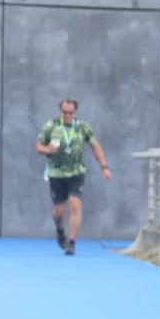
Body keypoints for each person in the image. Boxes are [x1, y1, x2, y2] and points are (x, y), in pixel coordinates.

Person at [35, 97, 112, 255]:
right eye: (64, 112)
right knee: (59, 211)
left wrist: (104, 166)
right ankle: (59, 229)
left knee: (75, 203)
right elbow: (39, 147)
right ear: (60, 111)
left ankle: (72, 243)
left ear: (75, 112)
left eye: (70, 112)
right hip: (56, 173)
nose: (68, 115)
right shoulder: (52, 126)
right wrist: (49, 150)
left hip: (76, 172)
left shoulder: (82, 127)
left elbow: (95, 146)